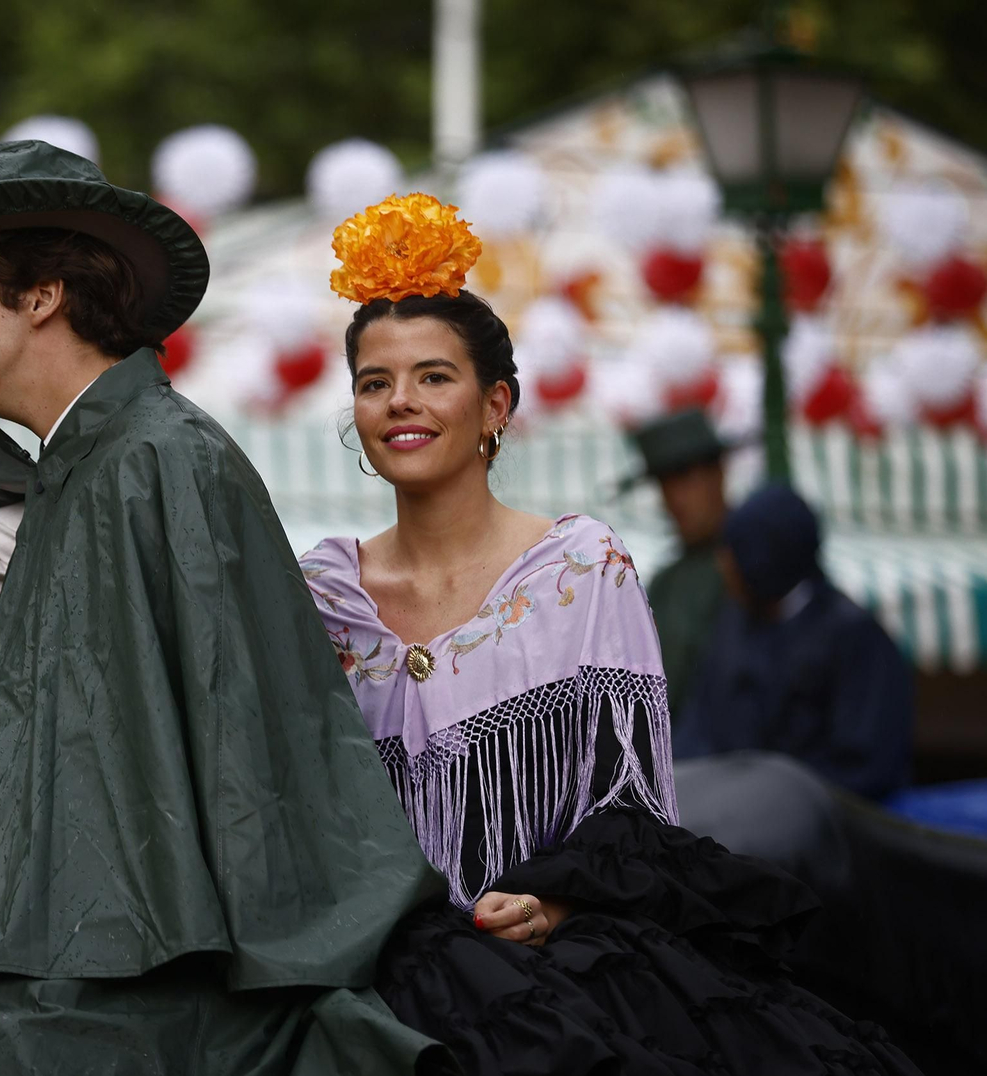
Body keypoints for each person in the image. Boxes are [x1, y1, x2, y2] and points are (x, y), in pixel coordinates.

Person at [0, 141, 454, 1075]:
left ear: (41, 294)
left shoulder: (155, 461)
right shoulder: (90, 467)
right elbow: (51, 730)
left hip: (195, 976)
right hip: (122, 950)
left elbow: (138, 781)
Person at [294, 194, 916, 1074]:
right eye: (374, 381)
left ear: (495, 404)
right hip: (369, 971)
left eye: (435, 376)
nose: (403, 401)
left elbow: (630, 802)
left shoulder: (582, 568)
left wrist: (559, 903)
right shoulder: (321, 592)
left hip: (554, 966)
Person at [674, 482, 914, 799]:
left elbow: (864, 767)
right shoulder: (735, 622)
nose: (724, 565)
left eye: (735, 553)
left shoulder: (853, 640)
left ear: (764, 559)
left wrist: (766, 793)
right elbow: (699, 727)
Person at [623, 408, 735, 717]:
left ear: (719, 473)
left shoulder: (753, 567)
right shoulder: (665, 584)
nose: (674, 499)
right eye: (664, 483)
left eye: (685, 478)